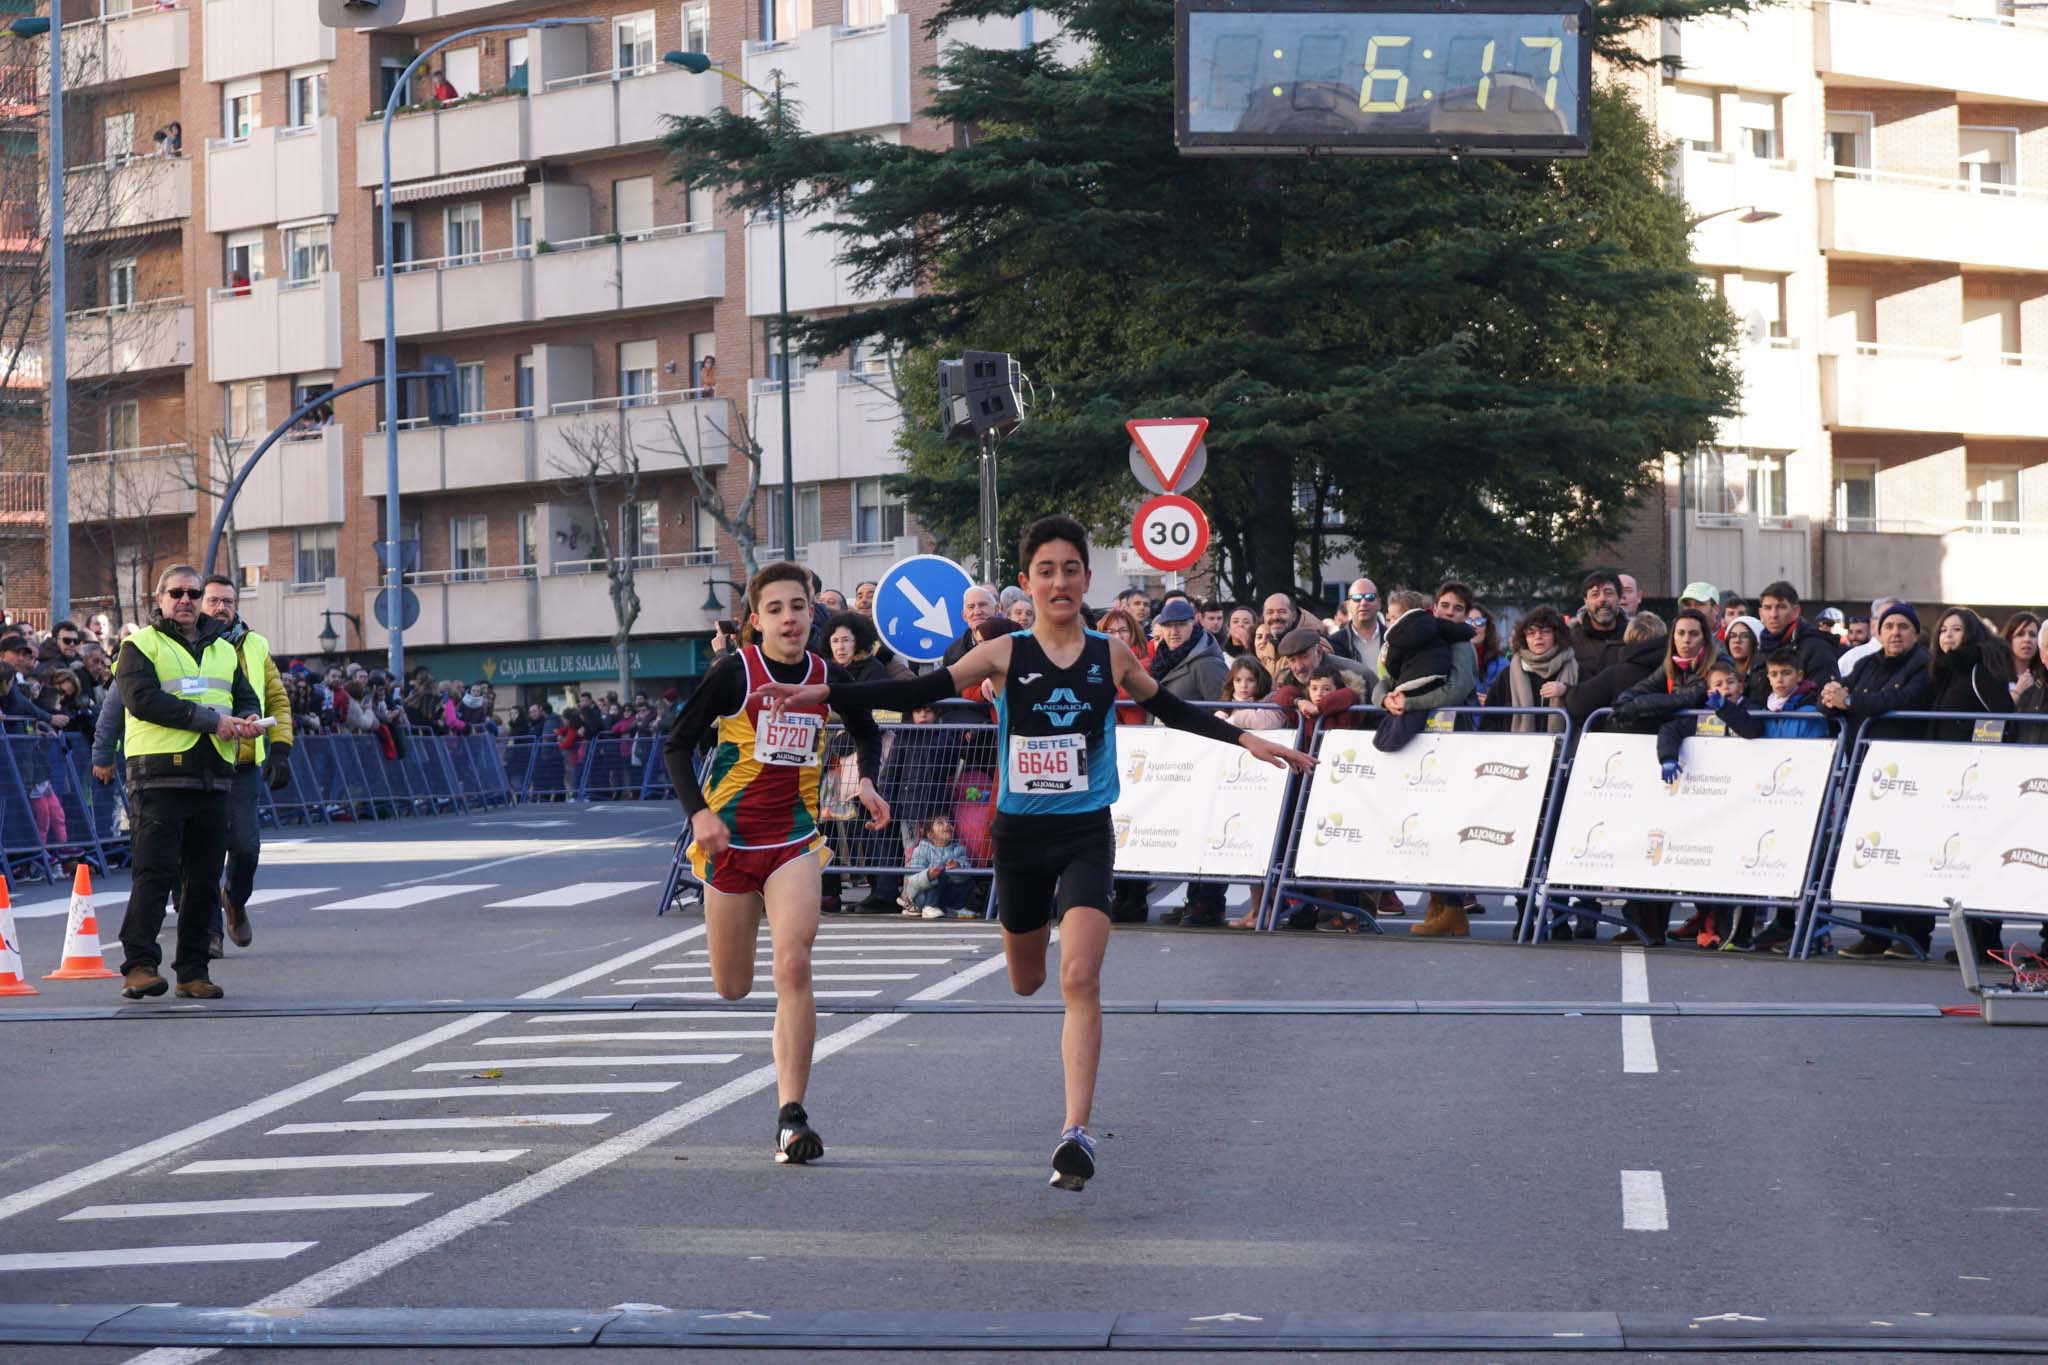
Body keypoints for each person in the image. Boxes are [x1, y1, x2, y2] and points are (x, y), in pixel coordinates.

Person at [750, 516, 1314, 1191]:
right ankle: (1031, 949)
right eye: (1045, 570)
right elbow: (917, 691)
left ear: (1086, 578)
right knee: (1026, 977)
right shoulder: (1005, 653)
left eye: (1070, 568)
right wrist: (828, 692)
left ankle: (1076, 1132)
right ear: (1028, 582)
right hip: (1018, 837)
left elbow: (1171, 709)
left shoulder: (1112, 655)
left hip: (1084, 833)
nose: (1059, 581)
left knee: (1080, 977)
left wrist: (1249, 742)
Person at [663, 564, 893, 1161]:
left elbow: (867, 731)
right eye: (776, 608)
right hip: (729, 842)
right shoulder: (734, 672)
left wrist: (866, 782)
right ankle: (786, 1104)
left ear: (813, 612)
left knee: (794, 963)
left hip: (793, 839)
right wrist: (700, 816)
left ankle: (792, 1117)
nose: (790, 617)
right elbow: (677, 744)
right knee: (734, 986)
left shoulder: (825, 675)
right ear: (756, 620)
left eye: (799, 606)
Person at [112, 566, 266, 1002]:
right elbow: (143, 701)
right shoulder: (139, 645)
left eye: (193, 593)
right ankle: (139, 966)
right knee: (154, 874)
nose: (185, 600)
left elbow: (244, 694)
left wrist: (250, 718)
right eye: (176, 593)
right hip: (159, 777)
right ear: (158, 599)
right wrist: (211, 722)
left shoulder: (221, 648)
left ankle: (193, 971)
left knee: (202, 879)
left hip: (213, 777)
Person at [1655, 652, 1826, 950]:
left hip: (1749, 806)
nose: (1725, 688)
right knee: (1706, 868)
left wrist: (1727, 711)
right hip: (1712, 804)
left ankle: (1742, 933)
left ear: (1742, 685)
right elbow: (1672, 728)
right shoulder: (1703, 711)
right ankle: (1709, 923)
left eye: (1731, 682)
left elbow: (1751, 730)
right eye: (1718, 684)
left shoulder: (1753, 710)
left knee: (1744, 869)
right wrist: (1668, 757)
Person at [1814, 602, 1932, 959]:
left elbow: (1902, 700)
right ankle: (1875, 932)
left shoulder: (1924, 665)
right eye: (1889, 626)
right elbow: (1833, 700)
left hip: (1908, 774)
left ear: (1915, 633)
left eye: (1903, 627)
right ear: (1878, 631)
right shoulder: (1865, 662)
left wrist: (1850, 700)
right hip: (1864, 771)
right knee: (1869, 849)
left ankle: (1914, 935)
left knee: (1906, 851)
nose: (1895, 633)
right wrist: (1833, 698)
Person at [198, 576, 294, 958]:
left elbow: (277, 698)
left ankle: (234, 899)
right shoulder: (188, 644)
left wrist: (282, 748)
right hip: (197, 758)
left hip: (242, 764)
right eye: (214, 601)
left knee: (245, 847)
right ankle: (209, 933)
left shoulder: (255, 645)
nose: (222, 608)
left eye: (228, 601)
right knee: (201, 852)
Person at [1481, 605, 1576, 734]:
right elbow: (1489, 721)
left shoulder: (1574, 668)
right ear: (1524, 638)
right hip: (1516, 751)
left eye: (1545, 631)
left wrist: (1567, 691)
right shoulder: (1507, 674)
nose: (1538, 636)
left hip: (1563, 751)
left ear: (1556, 635)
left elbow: (1586, 707)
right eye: (1531, 633)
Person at [1756, 580, 1841, 686]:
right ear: (1760, 614)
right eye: (1767, 608)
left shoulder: (1816, 648)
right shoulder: (1760, 648)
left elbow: (1824, 695)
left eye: (1781, 607)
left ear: (1796, 611)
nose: (1774, 615)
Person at [904, 813, 975, 920]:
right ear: (930, 834)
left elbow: (966, 873)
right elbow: (912, 881)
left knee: (969, 880)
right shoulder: (921, 849)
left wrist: (958, 867)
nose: (947, 825)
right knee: (940, 872)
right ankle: (930, 907)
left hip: (946, 895)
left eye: (949, 822)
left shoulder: (959, 849)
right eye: (940, 823)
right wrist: (928, 875)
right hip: (923, 897)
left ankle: (955, 908)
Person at [1568, 570, 1628, 679]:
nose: (1602, 599)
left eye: (1609, 593)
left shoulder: (1634, 637)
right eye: (1595, 595)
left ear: (1619, 598)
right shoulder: (1570, 639)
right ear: (1585, 601)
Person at [1324, 578, 1381, 664]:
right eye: (1357, 598)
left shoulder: (1393, 639)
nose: (1363, 603)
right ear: (1348, 605)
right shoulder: (1334, 643)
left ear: (1379, 603)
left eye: (1370, 597)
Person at [2007, 612, 2044, 712]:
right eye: (2020, 634)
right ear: (2009, 639)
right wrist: (2018, 692)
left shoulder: (2044, 678)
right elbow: (1992, 720)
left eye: (2032, 635)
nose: (2027, 639)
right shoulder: (1996, 677)